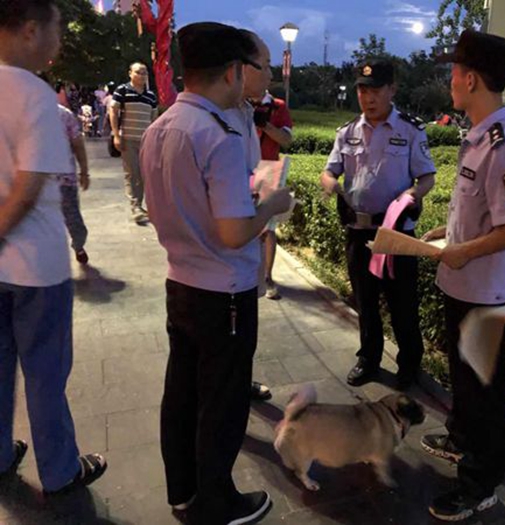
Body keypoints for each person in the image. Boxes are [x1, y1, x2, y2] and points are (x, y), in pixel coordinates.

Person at [141, 22, 292, 525]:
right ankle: (217, 503)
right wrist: (271, 206)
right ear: (232, 71)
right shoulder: (218, 135)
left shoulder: (162, 126)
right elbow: (234, 233)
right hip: (224, 290)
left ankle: (183, 493)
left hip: (180, 281)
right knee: (222, 402)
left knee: (182, 394)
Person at [420, 30, 505, 522]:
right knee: (464, 380)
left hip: (485, 294)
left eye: (454, 72)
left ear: (470, 79)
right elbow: (482, 213)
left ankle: (480, 482)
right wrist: (446, 233)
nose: (450, 81)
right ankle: (461, 439)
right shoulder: (477, 136)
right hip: (462, 285)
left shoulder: (504, 144)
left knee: (482, 391)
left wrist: (464, 249)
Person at [0, 0, 107, 494]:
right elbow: (28, 188)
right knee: (45, 372)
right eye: (56, 29)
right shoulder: (34, 94)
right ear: (29, 30)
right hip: (36, 267)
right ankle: (60, 470)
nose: (59, 40)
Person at [320, 59, 436, 390]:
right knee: (365, 302)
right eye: (362, 90)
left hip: (396, 234)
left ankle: (409, 365)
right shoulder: (347, 132)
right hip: (359, 232)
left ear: (392, 89)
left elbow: (427, 177)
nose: (367, 97)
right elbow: (330, 170)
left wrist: (412, 195)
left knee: (403, 304)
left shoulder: (410, 130)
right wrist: (329, 182)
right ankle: (369, 359)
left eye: (375, 90)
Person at [224, 30, 275, 402]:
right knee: (228, 334)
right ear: (241, 69)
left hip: (246, 243)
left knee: (244, 333)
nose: (271, 74)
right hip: (225, 255)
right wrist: (270, 206)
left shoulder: (245, 113)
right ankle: (228, 396)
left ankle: (239, 382)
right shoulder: (218, 120)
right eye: (266, 65)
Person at [251, 90, 293, 300]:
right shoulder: (238, 101)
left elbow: (286, 140)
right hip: (242, 167)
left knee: (268, 226)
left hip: (269, 169)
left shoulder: (277, 106)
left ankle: (267, 277)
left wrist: (265, 125)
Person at [110, 62, 158, 223]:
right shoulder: (123, 90)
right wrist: (116, 135)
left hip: (145, 141)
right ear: (130, 73)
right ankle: (135, 206)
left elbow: (154, 118)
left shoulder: (150, 96)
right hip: (128, 139)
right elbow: (113, 111)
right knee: (132, 173)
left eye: (145, 73)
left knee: (144, 174)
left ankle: (141, 205)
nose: (142, 75)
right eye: (138, 72)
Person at [57, 103, 90, 264]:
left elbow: (78, 145)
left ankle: (78, 246)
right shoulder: (20, 115)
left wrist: (84, 172)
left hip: (63, 180)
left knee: (73, 218)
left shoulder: (64, 115)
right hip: (34, 181)